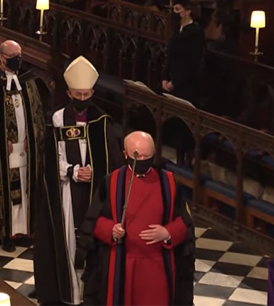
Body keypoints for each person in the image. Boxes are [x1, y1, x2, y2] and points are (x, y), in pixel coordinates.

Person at [34, 56, 124, 305]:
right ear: (68, 92)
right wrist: (73, 171)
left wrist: (95, 173)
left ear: (92, 92)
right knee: (68, 242)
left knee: (92, 241)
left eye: (86, 94)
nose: (82, 99)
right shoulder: (58, 119)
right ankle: (70, 294)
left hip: (95, 194)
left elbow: (112, 161)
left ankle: (91, 295)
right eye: (77, 94)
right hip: (66, 192)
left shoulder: (102, 121)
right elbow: (52, 160)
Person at [76, 131, 195, 306]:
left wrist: (168, 232)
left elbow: (186, 222)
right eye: (137, 157)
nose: (142, 161)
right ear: (125, 154)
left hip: (158, 267)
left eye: (147, 157)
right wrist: (111, 230)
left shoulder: (169, 182)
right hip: (122, 264)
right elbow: (93, 220)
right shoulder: (111, 182)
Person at [0, 40, 46, 252]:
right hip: (3, 152)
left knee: (24, 188)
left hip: (26, 147)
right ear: (2, 57)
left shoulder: (27, 80)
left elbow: (37, 113)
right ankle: (6, 233)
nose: (18, 59)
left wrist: (31, 139)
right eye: (14, 55)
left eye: (20, 54)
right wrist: (2, 142)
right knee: (7, 190)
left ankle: (24, 230)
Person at [162, 0, 205, 105]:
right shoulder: (177, 29)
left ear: (187, 11)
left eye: (177, 9)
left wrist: (175, 82)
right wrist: (165, 78)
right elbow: (170, 56)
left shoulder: (195, 32)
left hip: (185, 85)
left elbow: (191, 62)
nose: (174, 13)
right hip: (171, 80)